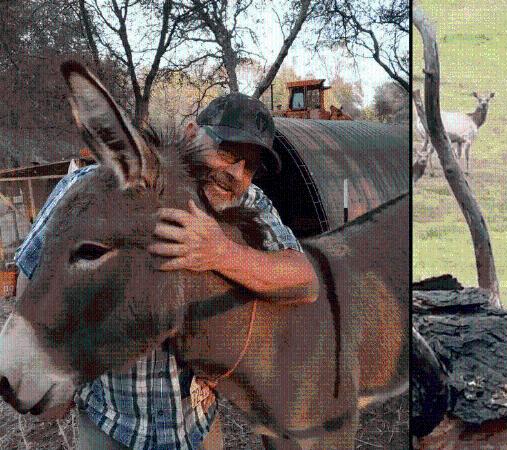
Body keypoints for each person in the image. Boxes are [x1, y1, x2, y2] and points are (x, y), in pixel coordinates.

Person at [14, 93, 319, 449]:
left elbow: (304, 279)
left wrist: (221, 253)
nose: (236, 173)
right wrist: (43, 364)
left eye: (249, 166)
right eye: (227, 151)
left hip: (194, 425)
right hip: (111, 421)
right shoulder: (93, 189)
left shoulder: (248, 202)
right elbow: (30, 269)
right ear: (191, 133)